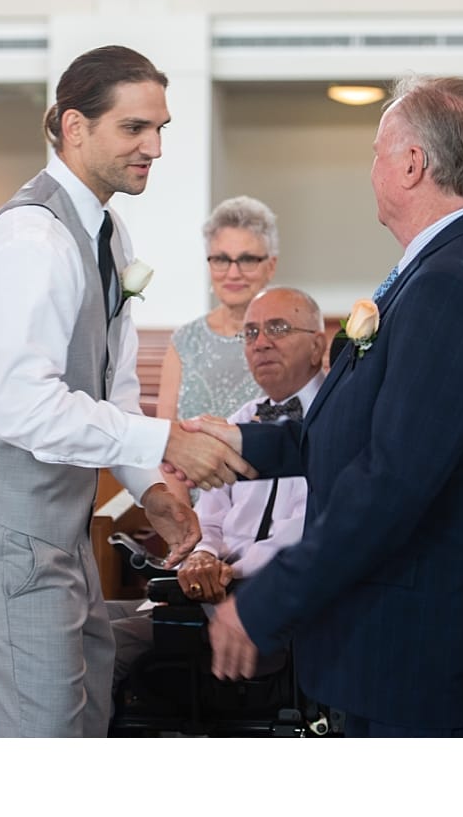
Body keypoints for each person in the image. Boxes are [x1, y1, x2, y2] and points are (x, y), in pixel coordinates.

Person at [190, 75, 463, 738]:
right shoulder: (439, 265)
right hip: (410, 622)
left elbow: (391, 484)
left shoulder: (451, 286)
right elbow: (363, 428)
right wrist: (241, 446)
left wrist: (265, 600)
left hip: (426, 632)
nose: (371, 168)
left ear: (413, 164)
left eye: (378, 151)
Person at [0, 45, 243, 737]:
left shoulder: (108, 232)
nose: (154, 146)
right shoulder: (31, 238)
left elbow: (111, 387)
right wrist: (169, 439)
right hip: (4, 534)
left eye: (161, 128)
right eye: (134, 128)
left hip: (59, 535)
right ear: (73, 126)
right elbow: (20, 405)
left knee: (81, 725)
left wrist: (150, 487)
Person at [106, 286, 326, 685]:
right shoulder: (240, 419)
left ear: (317, 346)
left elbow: (306, 533)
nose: (261, 344)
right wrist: (202, 555)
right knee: (82, 620)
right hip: (211, 587)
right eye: (251, 333)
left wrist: (221, 572)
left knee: (95, 647)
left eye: (277, 328)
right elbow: (212, 515)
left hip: (273, 603)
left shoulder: (335, 422)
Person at [155, 195, 279, 510]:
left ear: (271, 266)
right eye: (221, 259)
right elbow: (164, 441)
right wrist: (189, 525)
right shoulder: (185, 341)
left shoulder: (291, 340)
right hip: (192, 509)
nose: (233, 272)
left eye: (248, 259)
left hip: (269, 511)